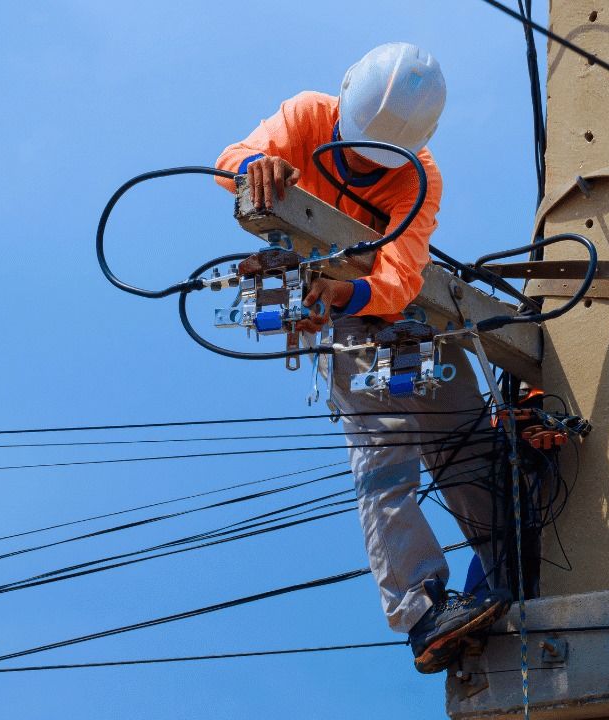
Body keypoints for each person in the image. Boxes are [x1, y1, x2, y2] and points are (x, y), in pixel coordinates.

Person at [215, 42, 509, 673]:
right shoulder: (305, 115)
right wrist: (257, 169)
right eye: (352, 156)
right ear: (341, 105)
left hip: (395, 311)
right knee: (386, 453)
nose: (362, 170)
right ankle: (421, 609)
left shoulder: (419, 177)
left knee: (470, 446)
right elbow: (228, 161)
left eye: (375, 166)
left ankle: (509, 567)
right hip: (346, 322)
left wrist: (347, 287)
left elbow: (401, 276)